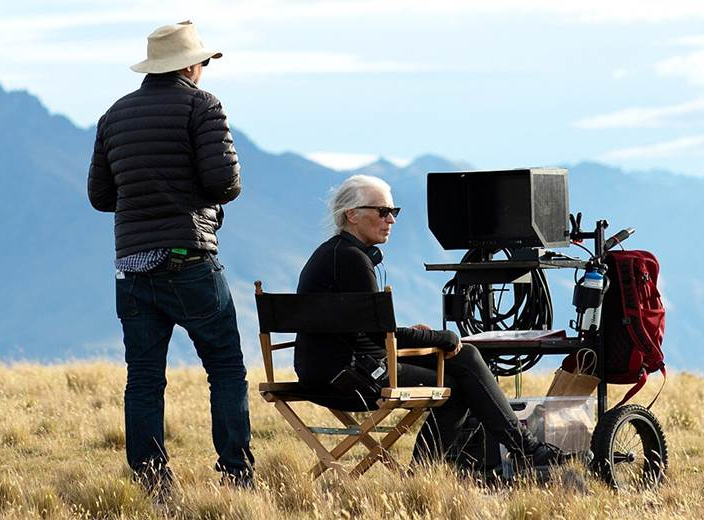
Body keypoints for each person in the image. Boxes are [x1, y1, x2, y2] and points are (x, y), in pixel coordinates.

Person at [295, 174, 572, 472]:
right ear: (352, 215)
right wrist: (442, 338)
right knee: (460, 369)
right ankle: (519, 450)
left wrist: (421, 336)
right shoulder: (352, 260)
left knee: (461, 370)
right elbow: (379, 337)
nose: (391, 220)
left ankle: (518, 449)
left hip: (328, 372)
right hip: (351, 378)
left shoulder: (333, 253)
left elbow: (367, 332)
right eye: (383, 211)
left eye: (394, 212)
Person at [87, 21, 254, 492]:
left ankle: (152, 481)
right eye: (202, 61)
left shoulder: (113, 115)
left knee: (143, 377)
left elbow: (101, 197)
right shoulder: (203, 106)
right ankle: (237, 475)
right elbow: (226, 183)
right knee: (224, 368)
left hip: (133, 265)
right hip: (189, 258)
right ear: (190, 65)